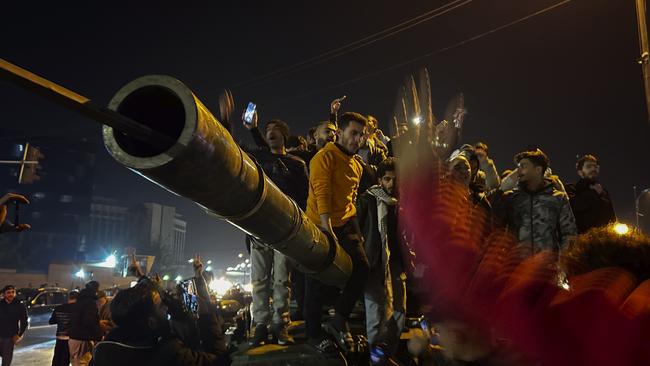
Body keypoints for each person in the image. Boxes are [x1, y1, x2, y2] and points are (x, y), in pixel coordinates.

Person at [304, 112, 370, 352]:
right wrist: (326, 229)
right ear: (340, 133)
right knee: (316, 277)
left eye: (361, 135)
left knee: (361, 268)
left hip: (346, 223)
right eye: (354, 133)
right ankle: (312, 335)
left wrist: (355, 231)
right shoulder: (324, 157)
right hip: (319, 223)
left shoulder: (356, 164)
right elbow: (322, 193)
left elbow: (350, 199)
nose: (358, 139)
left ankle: (337, 321)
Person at [242, 113, 308, 346]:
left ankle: (281, 325)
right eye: (267, 129)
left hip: (285, 230)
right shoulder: (258, 158)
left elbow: (303, 199)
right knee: (258, 280)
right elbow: (229, 147)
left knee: (282, 281)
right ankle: (260, 326)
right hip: (259, 227)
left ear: (284, 136)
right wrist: (232, 121)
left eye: (276, 129)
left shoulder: (297, 164)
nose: (271, 132)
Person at [91, 257, 227, 365]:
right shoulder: (169, 354)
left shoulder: (104, 350)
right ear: (151, 322)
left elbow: (158, 299)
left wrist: (142, 277)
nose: (167, 308)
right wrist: (206, 316)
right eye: (162, 306)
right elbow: (218, 360)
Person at [357, 158, 407, 354]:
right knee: (375, 314)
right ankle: (376, 356)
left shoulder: (403, 203)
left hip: (396, 263)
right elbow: (357, 230)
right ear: (379, 179)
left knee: (399, 311)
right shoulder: (367, 199)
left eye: (395, 180)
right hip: (374, 263)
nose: (392, 184)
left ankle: (387, 353)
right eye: (387, 179)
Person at [493, 149, 577, 257]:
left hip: (546, 268)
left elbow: (569, 233)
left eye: (523, 166)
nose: (518, 171)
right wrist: (500, 191)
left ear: (538, 170)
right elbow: (495, 223)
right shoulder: (511, 197)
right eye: (518, 166)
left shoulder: (558, 198)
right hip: (515, 267)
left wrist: (564, 263)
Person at [565, 154, 616, 234]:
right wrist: (594, 193)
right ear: (580, 172)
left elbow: (612, 217)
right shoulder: (571, 189)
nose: (593, 169)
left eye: (595, 166)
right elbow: (574, 207)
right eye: (589, 167)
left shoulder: (604, 192)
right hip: (582, 241)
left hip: (605, 240)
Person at [68, 281, 103, 366]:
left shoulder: (79, 301)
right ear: (95, 289)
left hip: (73, 337)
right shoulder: (90, 303)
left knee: (75, 362)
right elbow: (89, 321)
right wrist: (98, 334)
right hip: (83, 338)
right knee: (83, 361)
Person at [0, 285, 27, 366]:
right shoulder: (0, 304)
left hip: (9, 337)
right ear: (4, 294)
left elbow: (24, 321)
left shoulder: (19, 305)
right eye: (8, 292)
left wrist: (19, 334)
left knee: (6, 360)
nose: (11, 294)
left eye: (13, 292)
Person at [49, 290, 78, 366]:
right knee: (65, 360)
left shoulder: (59, 308)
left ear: (69, 298)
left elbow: (51, 321)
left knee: (57, 358)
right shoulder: (77, 309)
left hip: (59, 337)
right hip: (71, 338)